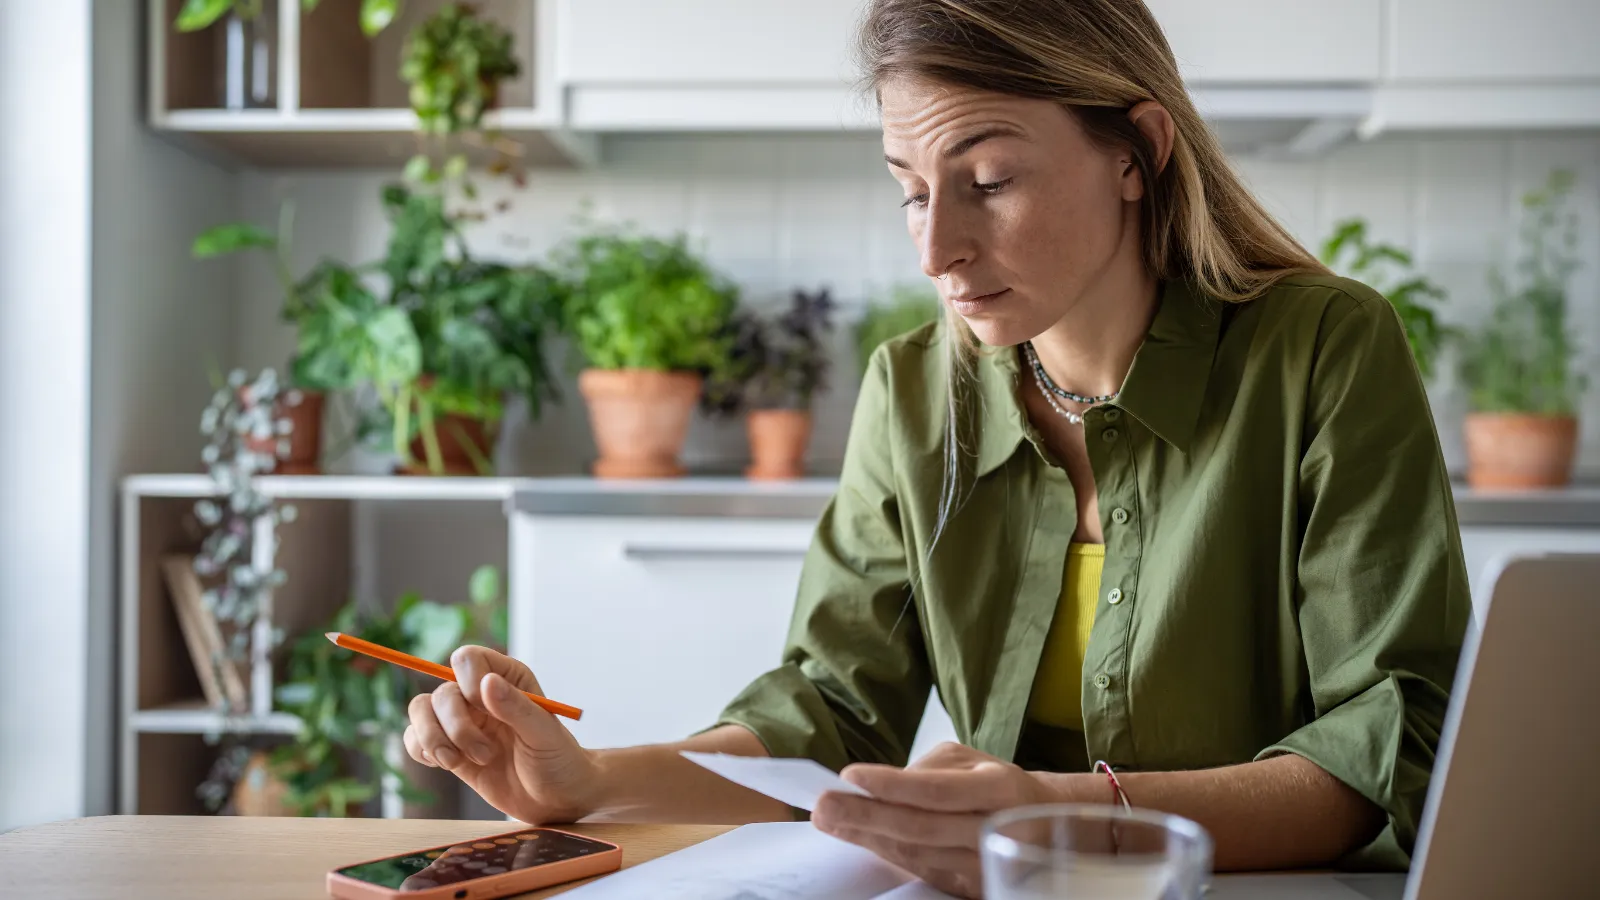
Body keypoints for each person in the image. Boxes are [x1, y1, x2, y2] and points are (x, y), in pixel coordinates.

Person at [402, 1, 1470, 896]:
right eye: (910, 189)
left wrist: (1060, 817)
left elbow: (1391, 747)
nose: (935, 246)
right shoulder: (912, 389)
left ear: (1138, 152)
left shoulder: (1325, 347)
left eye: (990, 180)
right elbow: (829, 711)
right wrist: (585, 779)